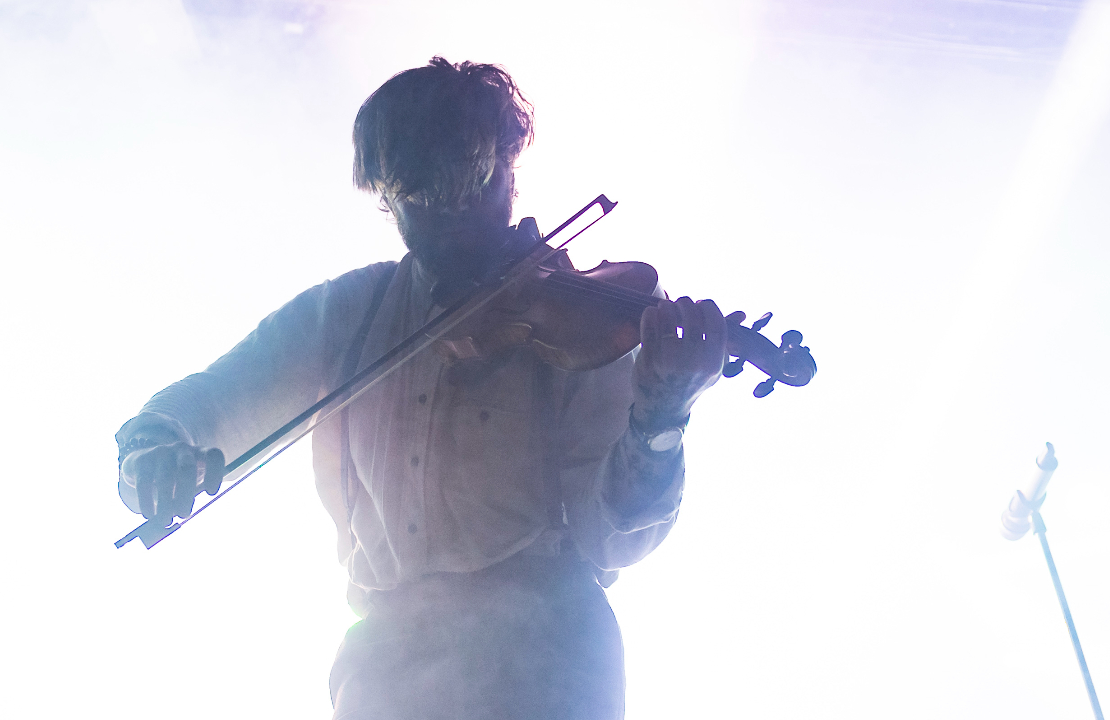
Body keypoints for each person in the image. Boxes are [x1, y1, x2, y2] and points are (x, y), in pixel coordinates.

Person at [115, 57, 731, 720]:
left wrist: (659, 420)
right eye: (423, 202)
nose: (454, 227)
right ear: (389, 196)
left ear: (508, 172)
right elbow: (215, 400)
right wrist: (156, 449)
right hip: (388, 664)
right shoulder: (347, 313)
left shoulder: (580, 318)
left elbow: (616, 541)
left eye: (472, 193)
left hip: (547, 657)